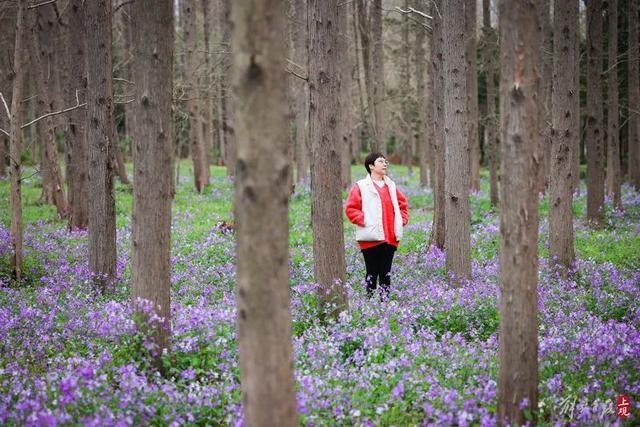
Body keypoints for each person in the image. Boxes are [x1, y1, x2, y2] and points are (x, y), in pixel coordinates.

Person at [345, 153, 409, 298]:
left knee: (386, 274)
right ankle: (369, 305)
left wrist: (402, 220)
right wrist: (364, 220)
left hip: (391, 238)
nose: (385, 164)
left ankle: (384, 307)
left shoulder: (391, 185)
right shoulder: (361, 186)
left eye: (386, 162)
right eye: (381, 161)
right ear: (371, 166)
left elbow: (403, 204)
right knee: (372, 273)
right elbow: (351, 208)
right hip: (370, 238)